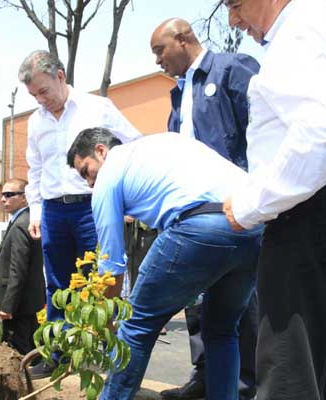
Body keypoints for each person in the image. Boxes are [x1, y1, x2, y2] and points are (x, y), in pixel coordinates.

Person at [224, 0, 326, 398]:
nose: (233, 19)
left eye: (235, 4)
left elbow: (318, 134)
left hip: (314, 213)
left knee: (289, 375)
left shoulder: (297, 31)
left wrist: (250, 206)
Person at [67, 128, 263, 400]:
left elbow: (111, 264)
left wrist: (106, 322)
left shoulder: (109, 175)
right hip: (253, 226)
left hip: (200, 226)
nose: (89, 183)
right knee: (222, 330)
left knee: (136, 325)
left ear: (101, 151)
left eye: (86, 171)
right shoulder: (162, 144)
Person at [151, 18, 260, 400]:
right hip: (192, 213)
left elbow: (262, 129)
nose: (157, 61)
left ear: (183, 39)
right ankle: (204, 376)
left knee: (239, 304)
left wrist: (256, 193)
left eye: (159, 51)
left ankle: (243, 384)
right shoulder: (178, 95)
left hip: (235, 207)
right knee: (197, 298)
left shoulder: (232, 69)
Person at [18, 50, 142, 377]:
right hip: (54, 212)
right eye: (33, 95)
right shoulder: (35, 122)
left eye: (44, 91)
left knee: (104, 280)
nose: (41, 100)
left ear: (60, 76)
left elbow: (133, 146)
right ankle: (57, 357)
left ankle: (111, 357)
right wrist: (35, 210)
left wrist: (125, 200)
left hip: (93, 205)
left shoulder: (97, 108)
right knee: (57, 285)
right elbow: (35, 169)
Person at [0, 178, 45, 355]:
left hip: (18, 307)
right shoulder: (24, 221)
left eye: (9, 195)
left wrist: (8, 305)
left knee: (19, 354)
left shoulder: (22, 224)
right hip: (24, 305)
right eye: (2, 195)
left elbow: (18, 269)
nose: (3, 199)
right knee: (28, 352)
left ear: (25, 197)